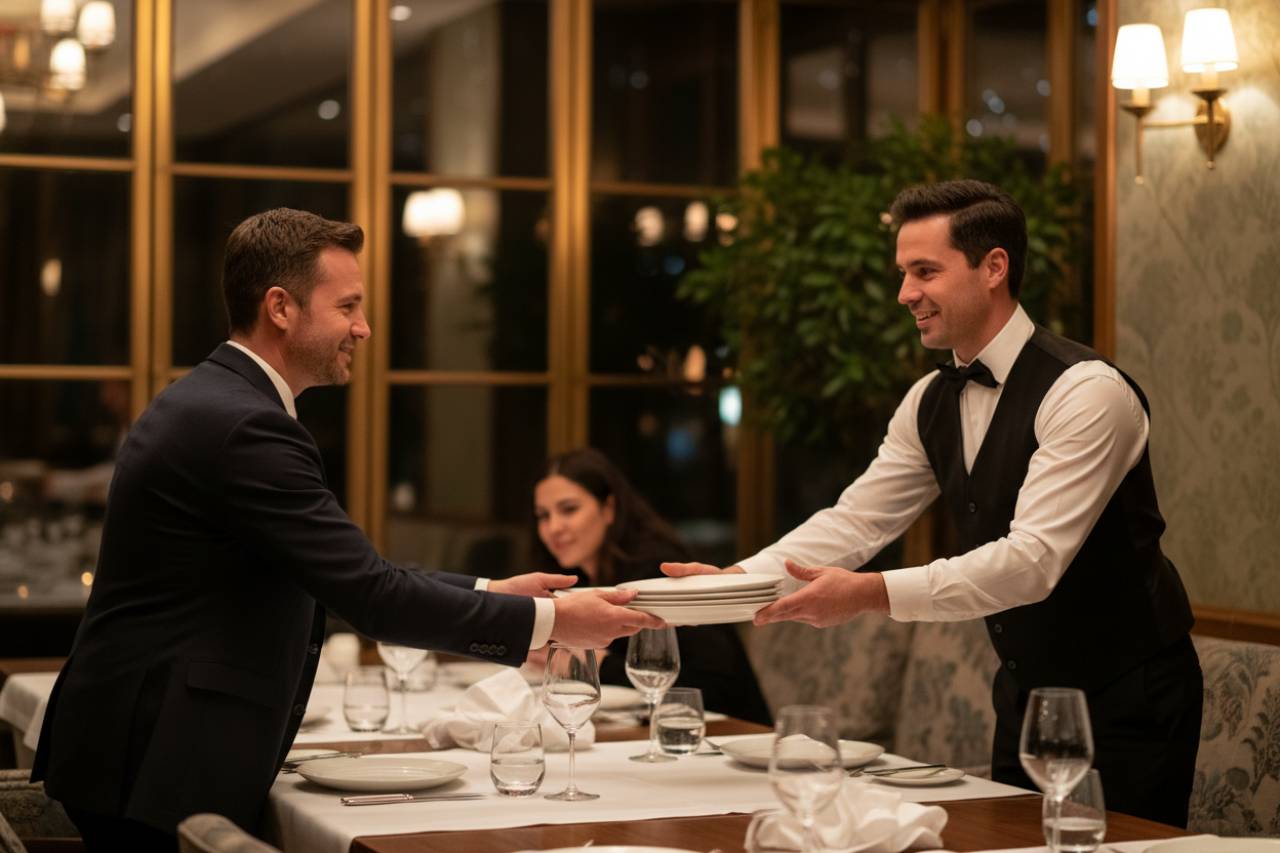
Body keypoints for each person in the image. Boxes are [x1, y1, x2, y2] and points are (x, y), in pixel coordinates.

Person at [31, 209, 663, 849]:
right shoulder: (246, 425)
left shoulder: (217, 401)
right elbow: (370, 594)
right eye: (347, 306)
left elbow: (344, 574)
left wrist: (493, 591)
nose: (363, 327)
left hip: (137, 745)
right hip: (154, 755)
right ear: (281, 308)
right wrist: (552, 622)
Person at [664, 180, 1201, 827]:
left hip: (1132, 695)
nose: (904, 293)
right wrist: (734, 582)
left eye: (925, 271)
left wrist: (870, 593)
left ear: (994, 267)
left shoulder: (1086, 392)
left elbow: (1032, 561)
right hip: (1025, 694)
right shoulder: (929, 399)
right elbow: (857, 521)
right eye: (903, 273)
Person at [530, 448, 771, 725]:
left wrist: (590, 662)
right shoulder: (577, 581)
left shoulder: (656, 573)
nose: (554, 527)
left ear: (608, 509)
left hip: (729, 730)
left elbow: (713, 682)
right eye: (543, 516)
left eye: (569, 509)